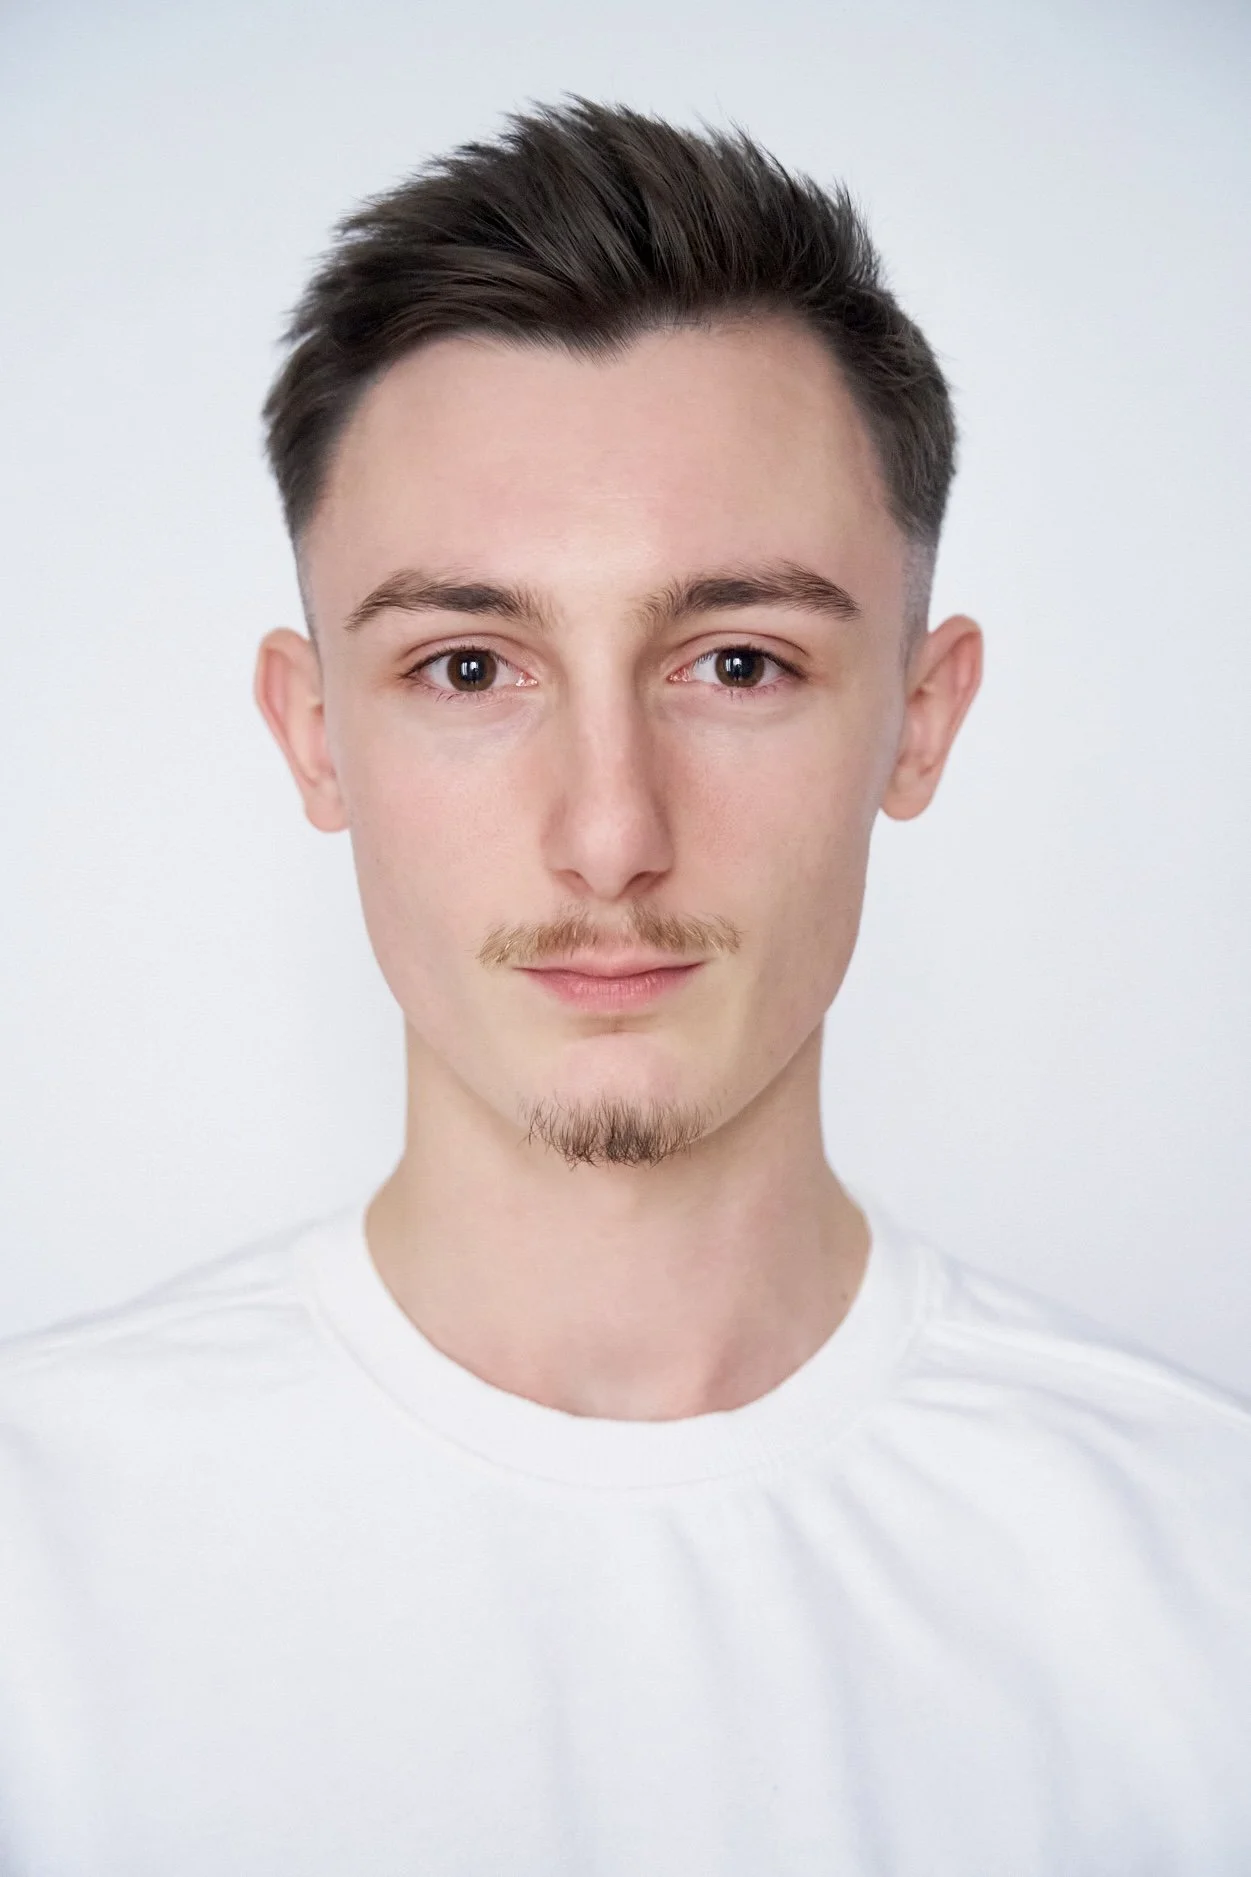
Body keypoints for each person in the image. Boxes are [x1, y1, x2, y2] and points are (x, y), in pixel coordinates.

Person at [0, 98, 1247, 1877]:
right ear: (313, 733)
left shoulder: (1208, 1577)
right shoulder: (27, 1578)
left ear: (919, 712)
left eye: (736, 661)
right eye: (466, 666)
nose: (606, 835)